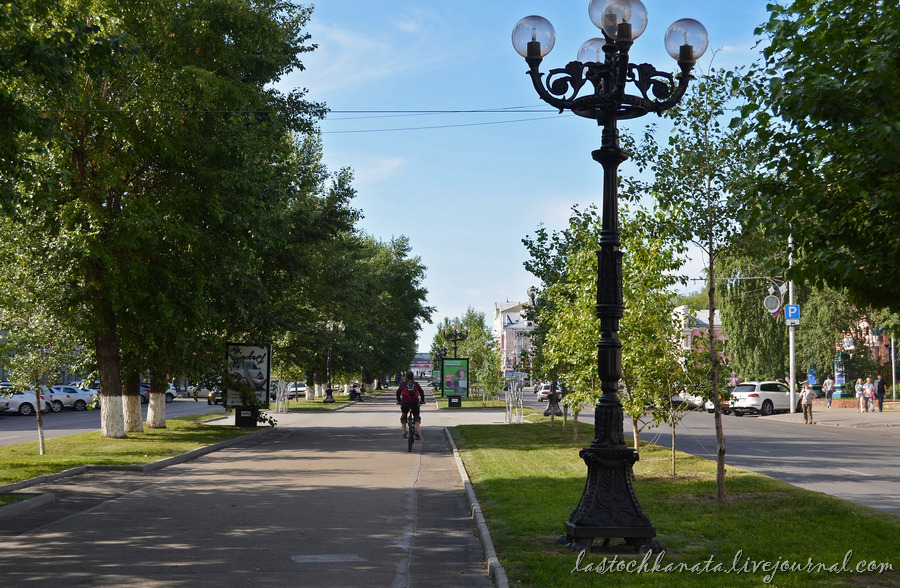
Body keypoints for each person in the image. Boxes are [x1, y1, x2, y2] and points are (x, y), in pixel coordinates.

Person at [397, 371, 425, 439]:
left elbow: (398, 392)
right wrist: (422, 400)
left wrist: (399, 401)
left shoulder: (403, 384)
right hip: (415, 403)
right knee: (416, 416)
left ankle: (403, 432)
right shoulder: (416, 384)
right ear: (413, 377)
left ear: (406, 377)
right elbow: (421, 392)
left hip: (405, 403)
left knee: (404, 416)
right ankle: (417, 430)